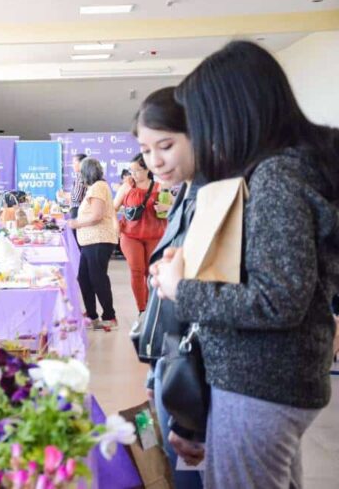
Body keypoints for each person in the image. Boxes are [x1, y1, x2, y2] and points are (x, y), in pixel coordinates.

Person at [150, 41, 339, 489]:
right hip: (272, 380)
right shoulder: (288, 169)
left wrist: (183, 289)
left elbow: (278, 301)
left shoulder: (277, 179)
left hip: (261, 383)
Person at [134, 86, 204, 489]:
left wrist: (191, 416)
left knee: (189, 475)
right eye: (145, 150)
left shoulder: (215, 197)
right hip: (169, 360)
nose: (155, 161)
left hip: (190, 369)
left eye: (166, 145)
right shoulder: (186, 192)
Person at [67, 158, 119, 330]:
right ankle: (91, 315)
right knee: (84, 278)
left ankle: (109, 316)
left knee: (98, 278)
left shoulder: (98, 187)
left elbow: (97, 215)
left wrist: (76, 223)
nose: (79, 176)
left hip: (99, 240)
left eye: (81, 172)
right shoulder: (95, 188)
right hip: (91, 241)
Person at [114, 154, 167, 313]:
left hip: (155, 235)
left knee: (150, 272)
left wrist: (166, 208)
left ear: (148, 169)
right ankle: (142, 310)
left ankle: (153, 308)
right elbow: (113, 207)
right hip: (130, 236)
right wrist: (115, 224)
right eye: (131, 171)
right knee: (137, 271)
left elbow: (175, 208)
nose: (133, 174)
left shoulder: (161, 186)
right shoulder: (127, 187)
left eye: (137, 170)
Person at [60, 154, 87, 218]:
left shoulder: (81, 177)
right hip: (79, 209)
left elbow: (76, 198)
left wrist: (64, 195)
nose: (73, 165)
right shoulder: (82, 176)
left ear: (81, 163)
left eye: (74, 162)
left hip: (78, 210)